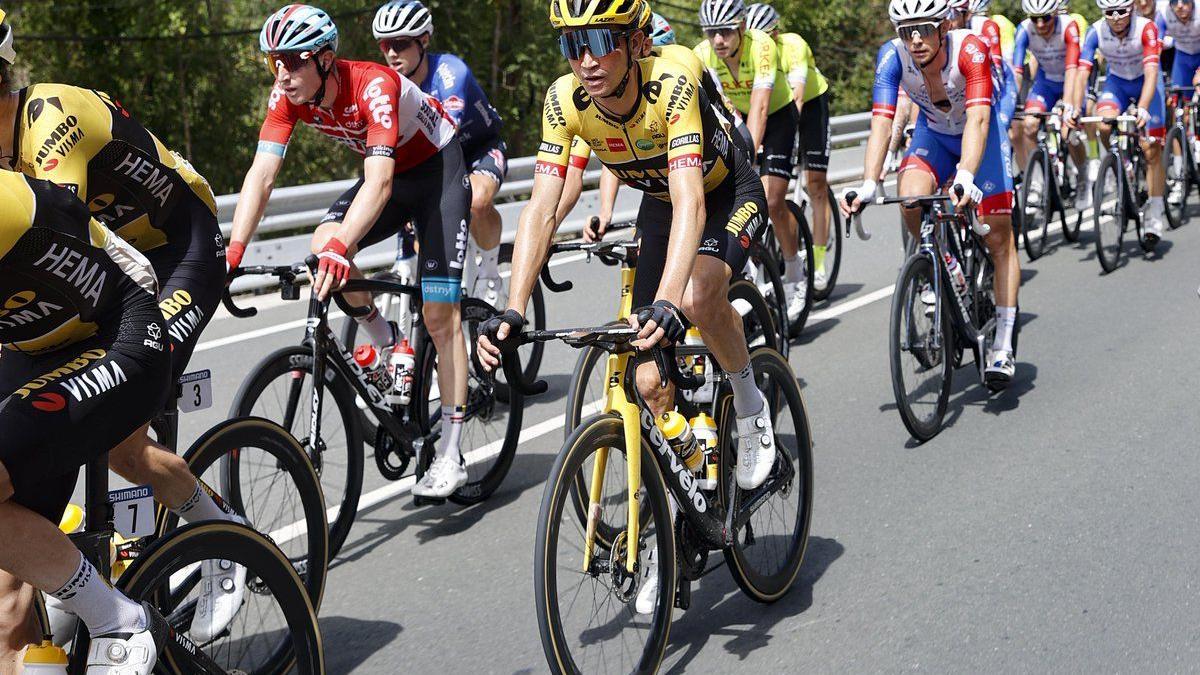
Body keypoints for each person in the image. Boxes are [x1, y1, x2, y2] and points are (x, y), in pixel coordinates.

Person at [0, 11, 248, 663]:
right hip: (90, 279)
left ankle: (225, 536)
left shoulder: (52, 123)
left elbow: (80, 257)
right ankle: (81, 568)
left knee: (124, 445)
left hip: (172, 253)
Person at [228, 4, 475, 499]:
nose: (283, 73)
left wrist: (346, 246)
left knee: (439, 316)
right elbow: (262, 175)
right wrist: (232, 251)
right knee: (322, 245)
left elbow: (380, 183)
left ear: (323, 59)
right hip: (387, 174)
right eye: (274, 62)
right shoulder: (288, 96)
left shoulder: (374, 85)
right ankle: (388, 342)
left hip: (436, 173)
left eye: (293, 61)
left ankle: (450, 450)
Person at [0, 170, 176, 673]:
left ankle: (119, 619)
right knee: (6, 608)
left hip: (120, 330)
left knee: (127, 454)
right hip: (34, 342)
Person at [841, 0, 1022, 389]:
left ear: (943, 27)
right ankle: (937, 268)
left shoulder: (970, 49)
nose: (916, 39)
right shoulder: (892, 58)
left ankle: (1003, 342)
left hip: (981, 142)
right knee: (910, 198)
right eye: (906, 31)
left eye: (923, 28)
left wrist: (966, 175)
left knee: (999, 237)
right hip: (934, 137)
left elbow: (979, 118)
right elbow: (881, 124)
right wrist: (870, 183)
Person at [373, 0, 510, 308]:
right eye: (385, 45)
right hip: (432, 160)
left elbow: (446, 133)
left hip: (477, 147)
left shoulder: (449, 72)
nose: (392, 52)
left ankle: (489, 273)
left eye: (400, 43)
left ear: (423, 41)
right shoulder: (387, 85)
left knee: (476, 200)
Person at [694, 0, 809, 324]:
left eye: (726, 31)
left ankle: (796, 273)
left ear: (742, 28)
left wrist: (749, 160)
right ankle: (750, 274)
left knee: (771, 200)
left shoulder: (762, 46)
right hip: (739, 121)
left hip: (776, 117)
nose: (719, 40)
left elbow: (760, 107)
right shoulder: (701, 54)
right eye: (712, 32)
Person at [745, 3, 836, 291]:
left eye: (767, 36)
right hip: (776, 111)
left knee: (816, 184)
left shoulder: (793, 45)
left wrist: (788, 138)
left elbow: (797, 96)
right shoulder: (750, 54)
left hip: (809, 106)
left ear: (777, 32)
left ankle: (819, 263)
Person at [1068, 0, 1167, 245]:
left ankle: (1155, 209)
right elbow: (1082, 72)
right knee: (1103, 125)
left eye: (1121, 11)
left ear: (1131, 9)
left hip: (1147, 85)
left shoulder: (1146, 28)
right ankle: (1119, 165)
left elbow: (1153, 72)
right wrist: (1075, 107)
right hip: (1118, 84)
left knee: (1152, 149)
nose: (1115, 17)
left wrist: (1143, 107)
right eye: (1109, 12)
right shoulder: (1096, 31)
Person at [1012, 0, 1092, 209]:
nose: (1040, 24)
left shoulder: (1068, 26)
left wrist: (1068, 105)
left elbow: (1073, 69)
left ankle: (1082, 177)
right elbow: (1017, 71)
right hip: (1045, 83)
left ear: (1055, 13)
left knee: (1069, 131)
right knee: (1029, 124)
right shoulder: (1024, 30)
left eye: (1045, 17)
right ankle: (1037, 182)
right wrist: (1012, 102)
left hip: (1070, 81)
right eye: (1034, 19)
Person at [1155, 0, 1200, 204]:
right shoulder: (1163, 12)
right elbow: (1153, 48)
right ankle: (1179, 176)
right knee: (1174, 109)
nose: (1180, 6)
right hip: (1182, 59)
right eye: (1175, 2)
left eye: (1185, 1)